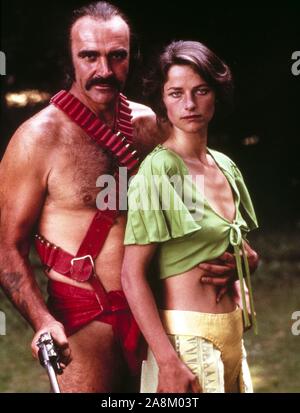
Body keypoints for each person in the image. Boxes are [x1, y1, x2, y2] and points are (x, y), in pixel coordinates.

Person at [0, 2, 258, 392]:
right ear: (70, 58)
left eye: (116, 56)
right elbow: (7, 246)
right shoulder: (37, 140)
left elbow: (200, 205)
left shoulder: (152, 125)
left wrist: (240, 256)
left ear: (130, 57)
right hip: (85, 320)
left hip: (160, 311)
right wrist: (43, 320)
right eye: (89, 56)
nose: (103, 70)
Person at [122, 40, 259, 393]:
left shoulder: (225, 166)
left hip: (233, 336)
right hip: (187, 343)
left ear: (216, 94)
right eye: (176, 92)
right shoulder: (158, 171)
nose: (189, 104)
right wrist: (167, 362)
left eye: (200, 91)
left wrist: (247, 266)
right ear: (162, 101)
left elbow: (234, 246)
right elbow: (131, 275)